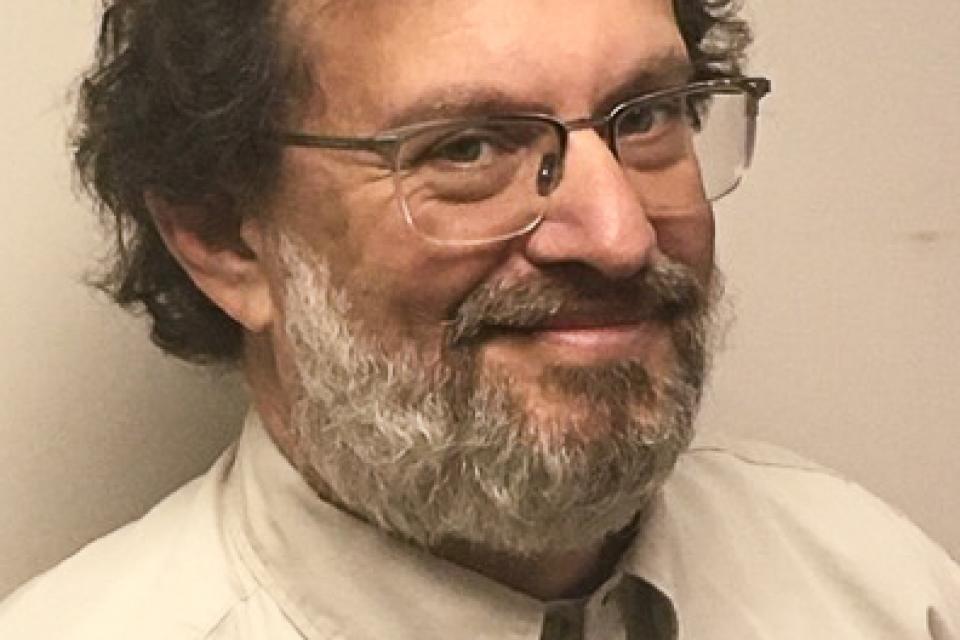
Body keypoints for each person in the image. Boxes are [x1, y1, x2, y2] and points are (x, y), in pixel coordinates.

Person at [2, 0, 958, 637]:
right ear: (225, 241)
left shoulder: (871, 585)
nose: (620, 236)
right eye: (466, 147)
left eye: (643, 117)